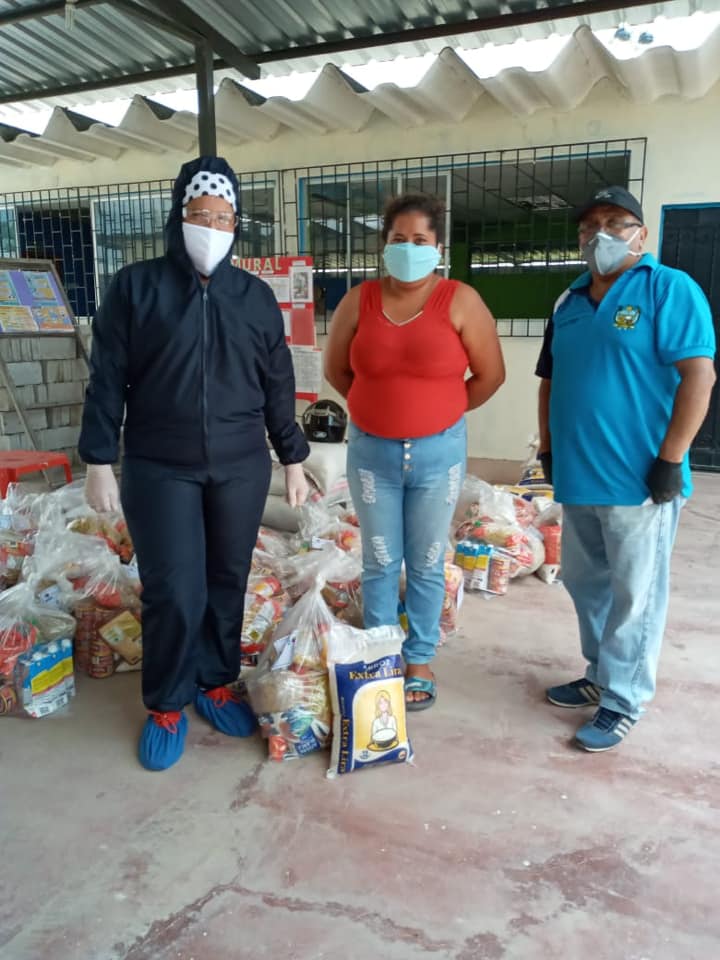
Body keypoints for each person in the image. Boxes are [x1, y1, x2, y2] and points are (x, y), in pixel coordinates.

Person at [78, 156, 310, 771]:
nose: (211, 226)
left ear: (237, 225)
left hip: (240, 465)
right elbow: (108, 377)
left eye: (223, 217)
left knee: (227, 580)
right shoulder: (135, 288)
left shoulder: (254, 297)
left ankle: (213, 681)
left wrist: (292, 455)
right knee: (174, 590)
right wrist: (98, 458)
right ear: (178, 216)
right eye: (200, 214)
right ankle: (166, 702)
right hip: (160, 465)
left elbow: (277, 381)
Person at [536, 185, 716, 751]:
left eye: (615, 222)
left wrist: (671, 458)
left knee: (635, 593)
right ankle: (600, 674)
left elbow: (699, 376)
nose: (601, 235)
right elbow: (549, 381)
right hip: (578, 474)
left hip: (640, 479)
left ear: (642, 233)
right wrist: (547, 449)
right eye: (590, 226)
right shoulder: (567, 301)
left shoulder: (668, 288)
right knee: (586, 583)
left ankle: (623, 698)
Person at [325, 193, 505, 710]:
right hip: (371, 454)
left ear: (438, 247)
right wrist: (379, 407)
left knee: (426, 560)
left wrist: (439, 412)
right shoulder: (359, 301)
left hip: (438, 455)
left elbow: (490, 375)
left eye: (420, 240)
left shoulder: (461, 300)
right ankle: (383, 653)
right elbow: (337, 370)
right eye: (398, 239)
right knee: (380, 559)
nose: (409, 248)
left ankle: (419, 659)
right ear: (384, 245)